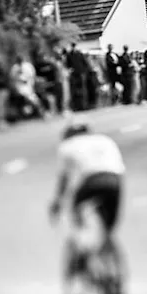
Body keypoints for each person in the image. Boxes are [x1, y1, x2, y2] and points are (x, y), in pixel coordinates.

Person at [49, 119, 127, 284]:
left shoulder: (67, 146)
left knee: (79, 222)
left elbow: (64, 179)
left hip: (91, 183)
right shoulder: (105, 140)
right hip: (114, 183)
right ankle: (111, 269)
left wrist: (57, 203)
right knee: (107, 229)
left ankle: (82, 255)